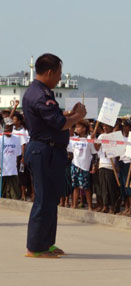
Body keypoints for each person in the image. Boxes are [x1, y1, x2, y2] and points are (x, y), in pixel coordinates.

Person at [23, 53, 87, 258]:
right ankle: (35, 247)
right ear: (50, 72)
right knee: (43, 199)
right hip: (44, 150)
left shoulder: (41, 92)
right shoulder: (41, 95)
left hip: (49, 150)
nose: (60, 78)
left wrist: (69, 114)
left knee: (51, 198)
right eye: (58, 73)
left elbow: (55, 118)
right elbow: (59, 123)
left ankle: (47, 243)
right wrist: (78, 117)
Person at [67, 120, 96, 210]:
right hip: (75, 165)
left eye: (79, 127)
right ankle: (74, 205)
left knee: (86, 187)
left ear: (84, 129)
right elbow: (70, 150)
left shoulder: (89, 139)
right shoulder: (74, 140)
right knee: (75, 186)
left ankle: (90, 206)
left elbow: (94, 152)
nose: (77, 128)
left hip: (85, 166)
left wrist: (94, 165)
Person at [93, 123, 121, 214]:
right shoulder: (101, 136)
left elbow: (118, 152)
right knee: (103, 187)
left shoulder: (115, 136)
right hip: (102, 164)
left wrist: (116, 165)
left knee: (111, 187)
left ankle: (113, 206)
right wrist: (94, 138)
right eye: (103, 126)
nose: (105, 127)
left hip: (111, 165)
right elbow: (97, 148)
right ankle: (105, 205)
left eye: (107, 126)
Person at [11, 112, 31, 201]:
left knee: (22, 175)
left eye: (15, 119)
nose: (13, 120)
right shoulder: (12, 129)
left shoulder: (22, 131)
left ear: (19, 121)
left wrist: (23, 157)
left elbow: (23, 145)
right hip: (12, 156)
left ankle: (24, 194)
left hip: (20, 156)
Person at [2, 124, 22, 199]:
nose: (8, 129)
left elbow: (18, 153)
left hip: (13, 168)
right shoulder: (1, 139)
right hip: (2, 168)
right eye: (7, 127)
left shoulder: (16, 139)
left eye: (10, 127)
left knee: (14, 190)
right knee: (2, 190)